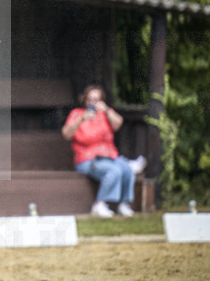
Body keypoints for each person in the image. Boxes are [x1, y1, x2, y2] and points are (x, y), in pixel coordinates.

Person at [61, 84, 147, 218]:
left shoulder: (105, 113)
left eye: (96, 100)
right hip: (87, 159)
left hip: (109, 156)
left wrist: (106, 110)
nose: (92, 103)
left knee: (127, 170)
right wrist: (82, 119)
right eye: (90, 100)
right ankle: (99, 204)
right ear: (85, 100)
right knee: (114, 171)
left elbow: (118, 123)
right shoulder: (77, 114)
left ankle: (124, 204)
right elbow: (66, 134)